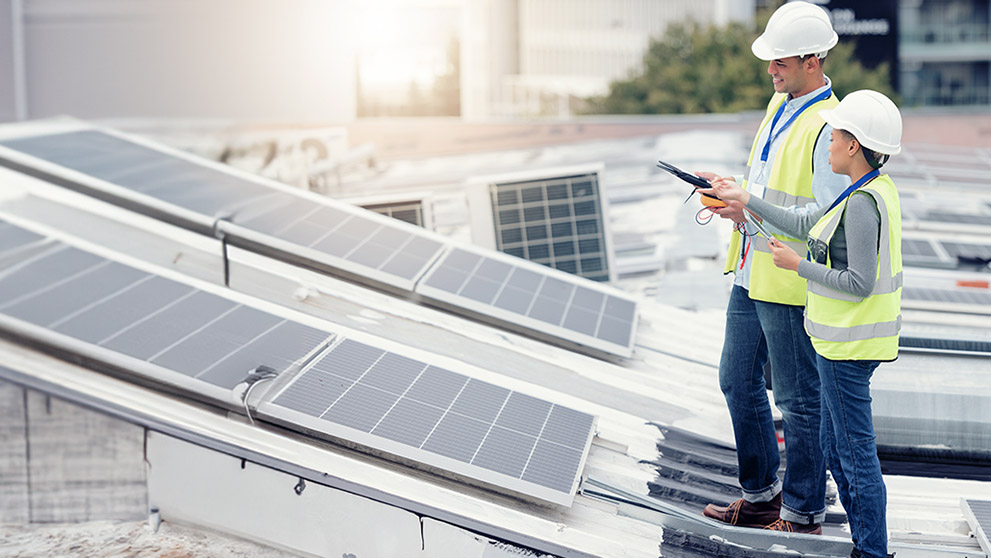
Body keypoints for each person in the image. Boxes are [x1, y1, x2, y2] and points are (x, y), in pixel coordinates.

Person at [707, 89, 903, 558]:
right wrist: (746, 201)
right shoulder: (862, 191)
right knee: (839, 452)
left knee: (853, 456)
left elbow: (857, 281)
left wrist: (798, 266)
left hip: (847, 348)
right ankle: (867, 547)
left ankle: (872, 551)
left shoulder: (860, 203)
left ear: (854, 145)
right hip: (845, 344)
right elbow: (806, 217)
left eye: (834, 135)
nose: (828, 142)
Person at [697, 1, 850, 534]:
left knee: (797, 400)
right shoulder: (778, 103)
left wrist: (750, 204)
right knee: (736, 381)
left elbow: (824, 219)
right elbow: (763, 185)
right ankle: (761, 495)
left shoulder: (831, 125)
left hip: (788, 277)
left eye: (780, 61)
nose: (770, 70)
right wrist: (729, 193)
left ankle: (803, 512)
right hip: (750, 269)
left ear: (813, 60)